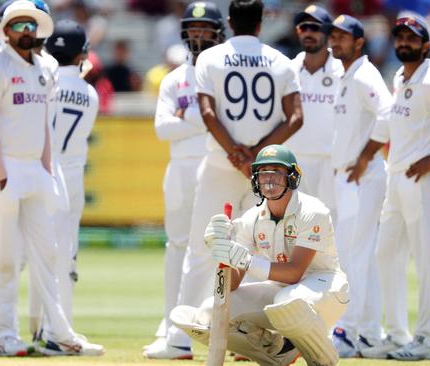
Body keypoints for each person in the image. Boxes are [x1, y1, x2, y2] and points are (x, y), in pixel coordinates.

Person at [153, 0, 303, 359]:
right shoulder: (281, 60)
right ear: (261, 22)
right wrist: (258, 155)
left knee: (201, 250)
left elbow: (206, 112)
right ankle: (254, 338)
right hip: (267, 171)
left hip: (221, 164)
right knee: (263, 251)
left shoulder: (210, 58)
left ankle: (178, 340)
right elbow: (296, 117)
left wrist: (236, 153)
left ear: (231, 21)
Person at [0, 0, 103, 356]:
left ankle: (59, 332)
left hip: (36, 169)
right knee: (5, 254)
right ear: (5, 31)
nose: (25, 31)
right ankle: (2, 332)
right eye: (17, 26)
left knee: (48, 254)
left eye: (30, 25)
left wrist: (47, 168)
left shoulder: (44, 68)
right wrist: (1, 176)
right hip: (8, 167)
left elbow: (45, 125)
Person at [348, 15, 430, 361]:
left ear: (426, 45)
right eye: (399, 37)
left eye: (411, 39)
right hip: (396, 177)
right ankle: (399, 334)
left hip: (422, 179)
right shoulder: (401, 76)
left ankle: (427, 340)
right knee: (385, 254)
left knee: (427, 261)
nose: (403, 43)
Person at [171, 144, 348, 366]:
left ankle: (324, 359)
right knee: (209, 314)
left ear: (292, 177)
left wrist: (246, 260)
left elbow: (294, 273)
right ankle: (276, 353)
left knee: (289, 302)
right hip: (281, 291)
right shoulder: (252, 219)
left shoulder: (313, 211)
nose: (269, 179)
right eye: (264, 173)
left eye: (276, 171)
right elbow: (231, 286)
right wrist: (221, 250)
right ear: (256, 178)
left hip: (326, 290)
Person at [142, 0, 224, 359]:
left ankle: (223, 325)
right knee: (177, 246)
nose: (199, 37)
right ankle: (171, 325)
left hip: (217, 165)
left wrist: (186, 114)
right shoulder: (175, 79)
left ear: (218, 34)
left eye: (205, 31)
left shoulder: (223, 72)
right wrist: (204, 116)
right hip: (179, 169)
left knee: (223, 248)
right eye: (193, 31)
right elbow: (162, 128)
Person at [326, 14, 392, 357]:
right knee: (359, 256)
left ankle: (348, 333)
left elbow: (388, 113)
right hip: (349, 178)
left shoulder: (365, 74)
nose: (336, 42)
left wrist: (366, 155)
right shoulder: (345, 74)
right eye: (333, 36)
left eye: (343, 37)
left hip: (362, 177)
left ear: (359, 42)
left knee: (355, 256)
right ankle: (369, 333)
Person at [44, 18, 99, 330]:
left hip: (43, 170)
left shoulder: (45, 83)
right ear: (82, 53)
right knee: (65, 254)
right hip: (72, 175)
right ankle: (61, 326)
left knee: (33, 252)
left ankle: (34, 325)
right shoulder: (89, 94)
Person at [284, 5, 342, 218]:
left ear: (328, 32)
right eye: (303, 27)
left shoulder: (343, 71)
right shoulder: (287, 69)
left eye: (314, 27)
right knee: (295, 228)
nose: (308, 32)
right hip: (294, 161)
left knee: (332, 230)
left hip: (331, 163)